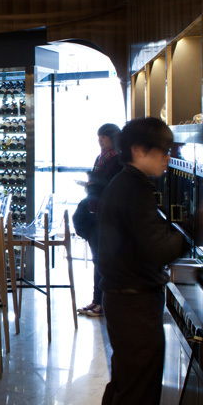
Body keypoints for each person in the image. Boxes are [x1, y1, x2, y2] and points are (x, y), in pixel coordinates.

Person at [93, 117, 203, 405]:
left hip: (123, 302)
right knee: (137, 403)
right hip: (134, 308)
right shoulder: (134, 188)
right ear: (138, 150)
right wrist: (200, 221)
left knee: (125, 393)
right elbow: (161, 249)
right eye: (162, 151)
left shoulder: (127, 183)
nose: (167, 158)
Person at [76, 123, 122, 317]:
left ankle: (102, 303)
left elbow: (111, 186)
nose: (100, 140)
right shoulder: (101, 158)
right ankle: (97, 300)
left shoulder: (117, 160)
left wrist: (92, 184)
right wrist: (91, 185)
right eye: (99, 137)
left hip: (106, 216)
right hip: (95, 213)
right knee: (98, 259)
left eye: (103, 137)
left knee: (102, 260)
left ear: (112, 138)